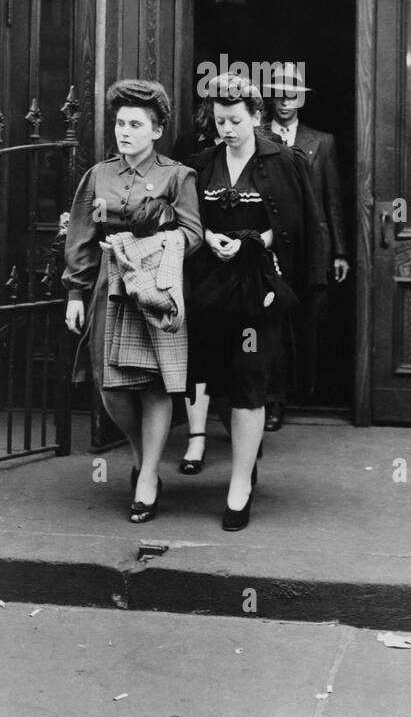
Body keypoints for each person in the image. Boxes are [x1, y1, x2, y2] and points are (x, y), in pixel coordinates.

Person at [63, 79, 203, 524]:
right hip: (110, 286)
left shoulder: (177, 176)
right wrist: (75, 292)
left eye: (135, 124)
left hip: (157, 289)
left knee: (156, 383)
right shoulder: (98, 175)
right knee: (110, 384)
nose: (124, 131)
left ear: (157, 130)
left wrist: (156, 240)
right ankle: (143, 455)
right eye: (120, 122)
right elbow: (81, 236)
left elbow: (194, 233)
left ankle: (147, 479)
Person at [187, 74, 322, 530]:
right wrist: (209, 236)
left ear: (257, 116)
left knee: (249, 380)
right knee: (219, 380)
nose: (226, 129)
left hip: (260, 290)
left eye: (235, 120)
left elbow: (300, 224)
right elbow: (189, 217)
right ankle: (245, 458)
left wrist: (257, 240)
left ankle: (239, 484)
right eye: (220, 120)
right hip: (211, 289)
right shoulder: (203, 164)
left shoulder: (285, 161)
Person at [264, 63, 349, 427]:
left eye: (292, 93)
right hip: (270, 245)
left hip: (313, 246)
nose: (285, 100)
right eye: (279, 93)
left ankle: (308, 390)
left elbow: (332, 201)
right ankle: (273, 401)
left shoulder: (322, 141)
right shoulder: (256, 134)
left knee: (311, 320)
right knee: (272, 323)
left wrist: (340, 251)